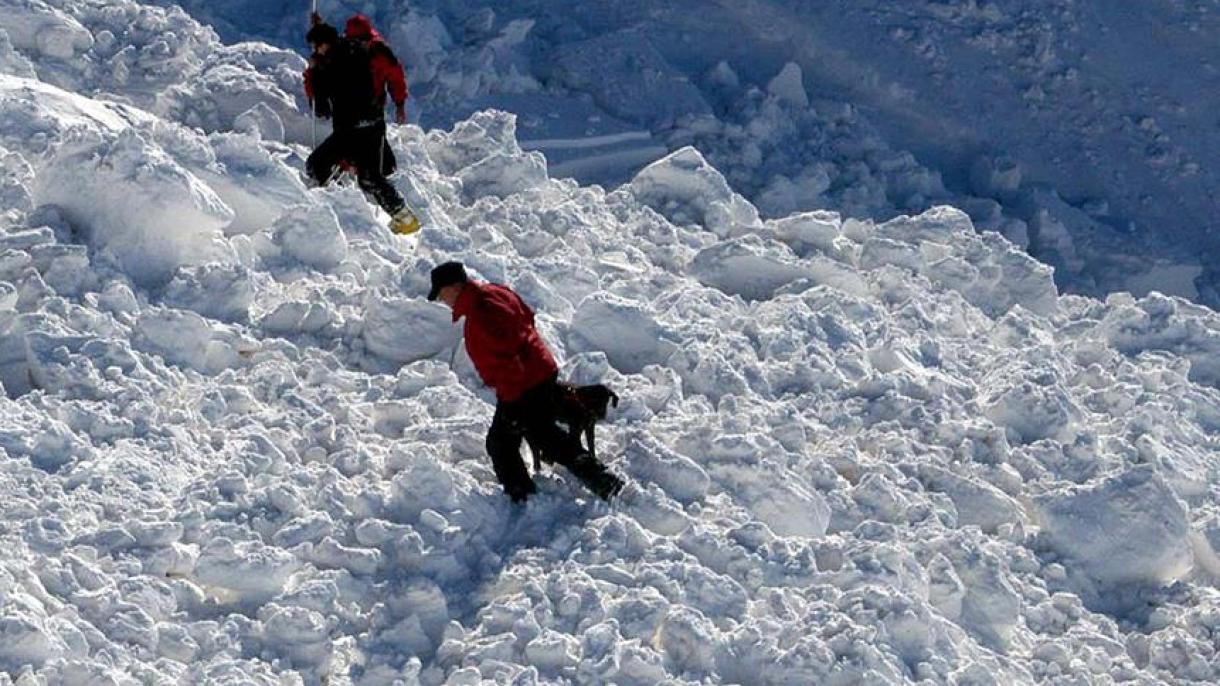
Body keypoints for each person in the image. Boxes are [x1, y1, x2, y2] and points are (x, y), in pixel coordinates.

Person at [428, 261, 624, 504]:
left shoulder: (482, 313)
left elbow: (508, 355)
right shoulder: (495, 292)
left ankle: (523, 496)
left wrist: (511, 403)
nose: (441, 300)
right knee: (543, 433)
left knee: (504, 443)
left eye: (441, 294)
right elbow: (527, 318)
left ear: (454, 287)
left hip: (522, 385)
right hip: (540, 369)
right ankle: (593, 452)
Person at [304, 13, 420, 235]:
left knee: (316, 165)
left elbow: (319, 101)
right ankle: (405, 219)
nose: (316, 51)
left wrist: (314, 70)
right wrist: (320, 30)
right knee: (370, 178)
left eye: (317, 47)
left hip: (350, 130)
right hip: (374, 125)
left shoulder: (332, 64)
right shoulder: (360, 52)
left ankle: (316, 219)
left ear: (324, 45)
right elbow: (338, 46)